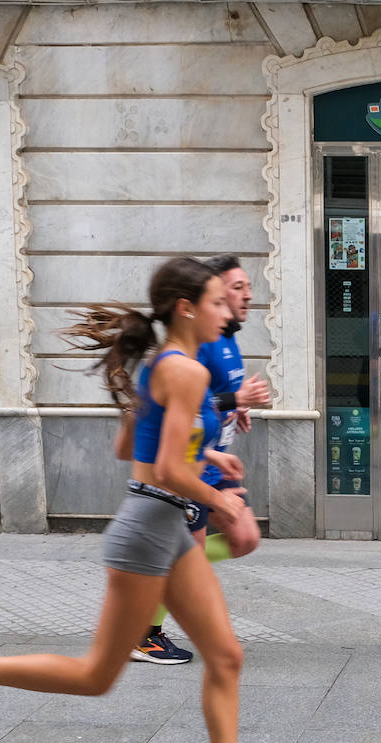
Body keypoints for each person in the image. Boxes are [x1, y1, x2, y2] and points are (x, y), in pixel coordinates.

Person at [0, 257, 302, 743]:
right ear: (186, 308)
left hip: (168, 526)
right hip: (152, 527)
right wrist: (222, 496)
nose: (227, 310)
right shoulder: (186, 371)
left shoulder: (169, 364)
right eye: (216, 301)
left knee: (226, 655)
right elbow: (155, 467)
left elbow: (133, 443)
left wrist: (208, 454)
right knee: (95, 676)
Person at [132, 255, 270, 665]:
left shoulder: (223, 340)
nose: (246, 295)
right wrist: (231, 402)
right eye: (235, 288)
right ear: (194, 303)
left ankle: (160, 594)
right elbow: (177, 415)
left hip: (206, 463)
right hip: (185, 476)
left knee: (243, 538)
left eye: (247, 287)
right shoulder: (190, 353)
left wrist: (229, 414)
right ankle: (146, 627)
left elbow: (185, 413)